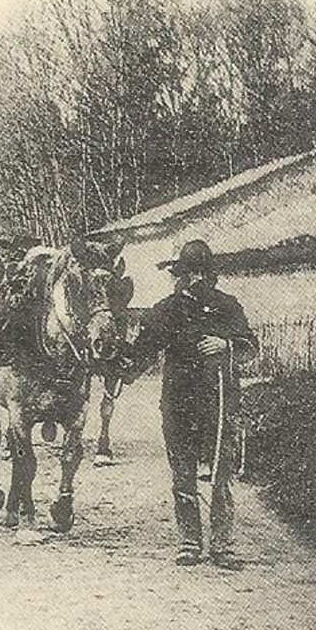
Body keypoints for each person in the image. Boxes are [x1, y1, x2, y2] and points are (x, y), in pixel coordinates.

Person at [121, 239, 258, 569]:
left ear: (208, 275)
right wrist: (121, 374)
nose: (194, 281)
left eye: (200, 274)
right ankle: (190, 542)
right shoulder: (166, 309)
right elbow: (143, 351)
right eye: (188, 274)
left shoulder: (228, 306)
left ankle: (223, 545)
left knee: (221, 475)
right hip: (179, 402)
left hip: (220, 403)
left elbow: (250, 347)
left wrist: (226, 344)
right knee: (182, 475)